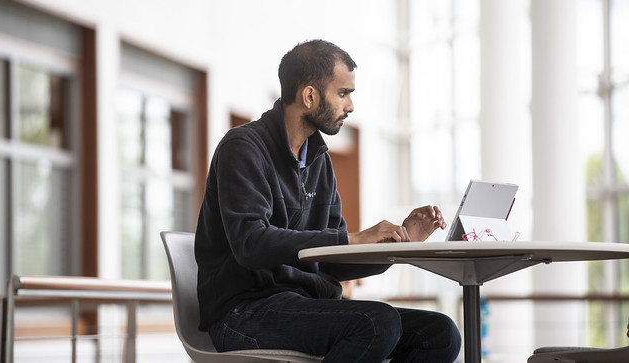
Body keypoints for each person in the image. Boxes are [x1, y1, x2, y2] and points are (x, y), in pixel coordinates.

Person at [194, 39, 462, 362]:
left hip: (304, 305)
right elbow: (251, 244)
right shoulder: (243, 148)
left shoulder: (319, 160)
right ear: (310, 96)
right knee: (378, 324)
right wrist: (353, 238)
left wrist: (396, 245)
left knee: (441, 334)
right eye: (343, 93)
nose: (350, 106)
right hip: (244, 311)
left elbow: (331, 260)